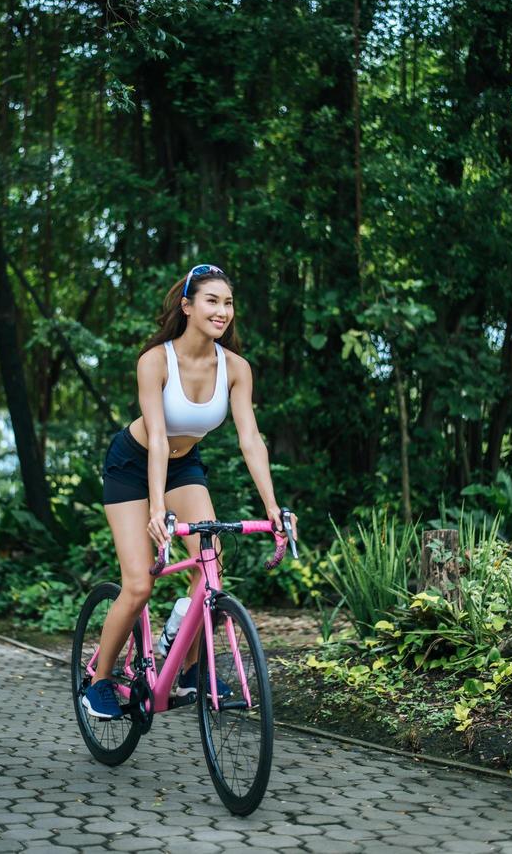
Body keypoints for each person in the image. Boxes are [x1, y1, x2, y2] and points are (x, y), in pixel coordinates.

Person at [83, 263, 298, 719]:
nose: (223, 311)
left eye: (229, 302)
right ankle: (98, 680)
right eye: (212, 301)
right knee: (139, 583)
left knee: (210, 565)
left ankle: (187, 669)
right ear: (187, 306)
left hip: (184, 467)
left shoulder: (236, 369)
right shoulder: (155, 361)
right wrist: (156, 509)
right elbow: (157, 437)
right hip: (131, 466)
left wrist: (274, 508)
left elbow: (250, 439)